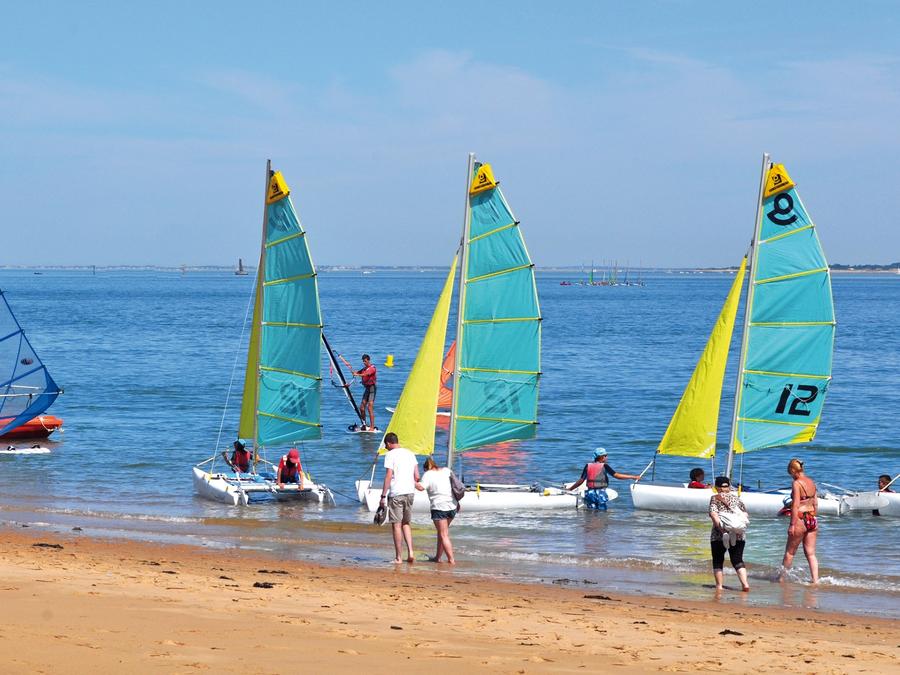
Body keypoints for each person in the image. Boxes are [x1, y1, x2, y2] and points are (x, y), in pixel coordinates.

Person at [379, 432, 419, 563]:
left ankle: (399, 557)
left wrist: (383, 496)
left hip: (397, 493)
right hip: (410, 492)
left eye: (386, 446)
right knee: (406, 523)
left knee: (396, 525)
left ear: (389, 443)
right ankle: (411, 552)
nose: (386, 448)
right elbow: (417, 476)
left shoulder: (390, 455)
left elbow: (388, 475)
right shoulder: (410, 453)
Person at [779, 458, 819, 584]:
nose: (791, 477)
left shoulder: (796, 483)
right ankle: (815, 580)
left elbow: (795, 505)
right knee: (811, 554)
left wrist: (792, 524)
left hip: (800, 519)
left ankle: (781, 579)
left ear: (793, 470)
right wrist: (814, 515)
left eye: (790, 473)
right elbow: (815, 503)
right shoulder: (812, 482)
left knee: (790, 553)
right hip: (812, 518)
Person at [708, 476, 750, 592]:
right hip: (738, 533)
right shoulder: (737, 499)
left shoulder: (715, 498)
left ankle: (719, 586)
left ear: (716, 487)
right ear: (729, 486)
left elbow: (714, 514)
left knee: (718, 560)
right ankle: (745, 584)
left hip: (719, 534)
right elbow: (745, 515)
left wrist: (722, 529)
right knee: (737, 560)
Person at [567, 448, 641, 510]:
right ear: (601, 457)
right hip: (600, 493)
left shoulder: (588, 465)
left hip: (590, 493)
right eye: (606, 456)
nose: (607, 457)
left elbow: (581, 480)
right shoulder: (604, 466)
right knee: (602, 512)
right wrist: (633, 477)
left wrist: (570, 489)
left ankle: (590, 523)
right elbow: (617, 476)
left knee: (591, 512)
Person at [415, 457, 457, 564]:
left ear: (425, 468)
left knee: (443, 534)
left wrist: (411, 481)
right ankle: (438, 557)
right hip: (452, 506)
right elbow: (455, 486)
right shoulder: (447, 470)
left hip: (439, 507)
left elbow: (421, 487)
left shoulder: (427, 474)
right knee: (442, 533)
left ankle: (451, 560)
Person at [353, 354, 377, 430]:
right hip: (367, 389)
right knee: (362, 408)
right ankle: (364, 425)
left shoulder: (372, 368)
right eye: (363, 361)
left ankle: (372, 427)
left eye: (365, 361)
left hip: (372, 389)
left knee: (370, 407)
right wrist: (354, 372)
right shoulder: (364, 368)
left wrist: (358, 375)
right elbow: (358, 372)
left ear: (368, 360)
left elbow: (366, 374)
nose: (364, 362)